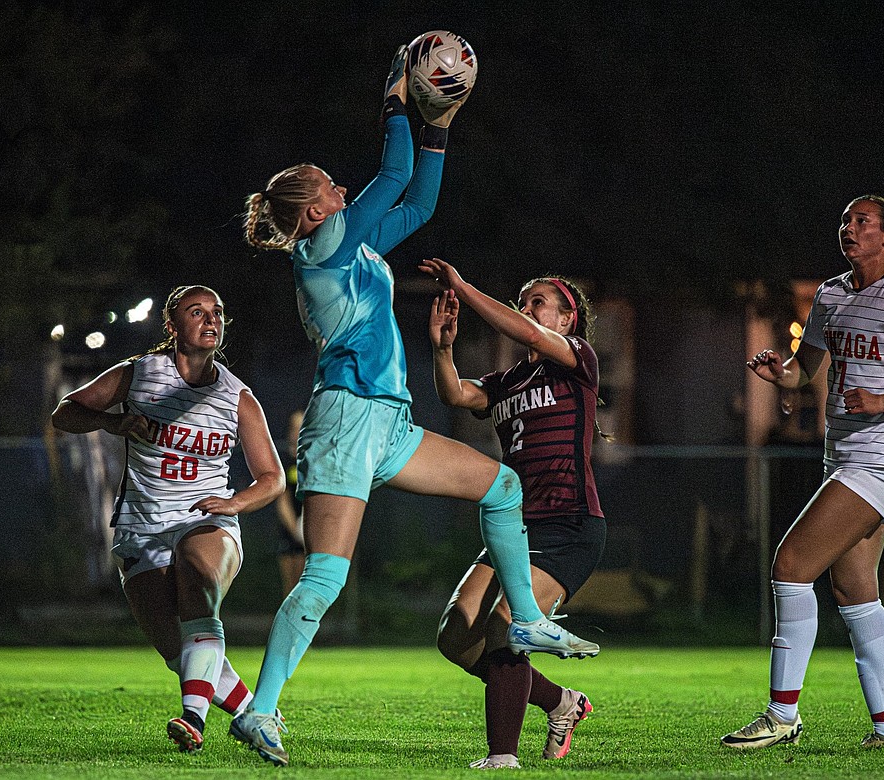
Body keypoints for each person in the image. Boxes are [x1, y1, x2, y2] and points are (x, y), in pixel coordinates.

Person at [229, 45, 597, 767]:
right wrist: (397, 99)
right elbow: (394, 175)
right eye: (330, 186)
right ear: (310, 212)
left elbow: (421, 200)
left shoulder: (354, 246)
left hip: (389, 422)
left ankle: (525, 619)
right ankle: (261, 711)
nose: (341, 188)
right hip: (343, 421)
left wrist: (442, 124)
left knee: (501, 485)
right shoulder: (326, 246)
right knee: (325, 577)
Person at [723, 195, 884, 751]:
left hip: (883, 460)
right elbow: (805, 369)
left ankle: (781, 716)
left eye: (862, 221)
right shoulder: (831, 295)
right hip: (844, 456)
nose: (849, 228)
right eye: (845, 220)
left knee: (790, 564)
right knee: (855, 589)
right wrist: (778, 374)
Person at [50, 285, 286, 754]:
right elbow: (65, 413)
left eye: (217, 312)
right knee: (182, 653)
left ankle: (192, 720)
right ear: (171, 325)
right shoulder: (138, 374)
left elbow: (272, 477)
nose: (210, 319)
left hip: (207, 521)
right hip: (142, 527)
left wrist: (235, 504)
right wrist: (113, 422)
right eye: (196, 312)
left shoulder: (238, 396)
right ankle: (256, 714)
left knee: (198, 571)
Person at [423, 259, 606, 769]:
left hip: (570, 524)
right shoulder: (509, 380)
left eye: (537, 302)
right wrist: (442, 349)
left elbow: (523, 331)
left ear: (567, 320)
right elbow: (456, 394)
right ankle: (560, 702)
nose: (526, 310)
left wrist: (463, 284)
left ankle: (501, 757)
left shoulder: (578, 359)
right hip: (516, 527)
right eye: (523, 301)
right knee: (455, 635)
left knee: (508, 623)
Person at [276, 410, 307, 596]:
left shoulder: (313, 460)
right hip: (290, 531)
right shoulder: (283, 461)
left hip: (310, 531)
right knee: (290, 589)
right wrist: (296, 531)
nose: (297, 432)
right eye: (294, 428)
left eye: (301, 427)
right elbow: (283, 500)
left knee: (306, 588)